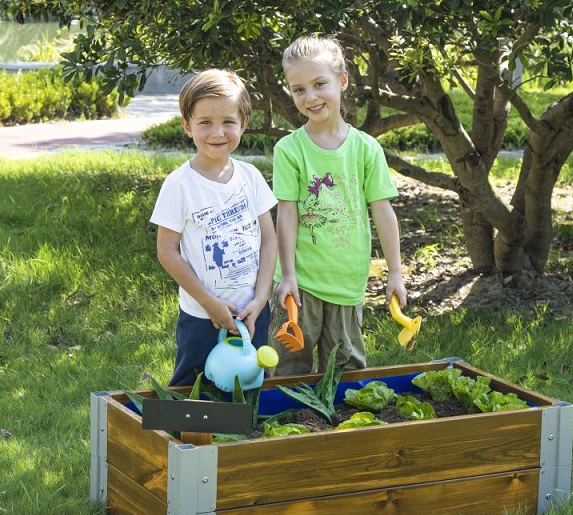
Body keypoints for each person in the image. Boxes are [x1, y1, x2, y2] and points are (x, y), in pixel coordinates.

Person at [270, 33, 407, 375]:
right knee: (288, 370)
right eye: (299, 89)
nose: (310, 97)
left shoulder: (366, 149)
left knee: (346, 371)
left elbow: (383, 211)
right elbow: (286, 213)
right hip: (299, 285)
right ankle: (289, 428)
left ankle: (344, 430)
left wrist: (395, 273)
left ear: (342, 80)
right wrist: (286, 275)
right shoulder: (289, 150)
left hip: (347, 282)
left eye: (319, 84)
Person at [150, 69, 277, 386]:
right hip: (201, 316)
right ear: (187, 126)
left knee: (249, 385)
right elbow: (167, 251)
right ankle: (186, 438)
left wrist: (260, 301)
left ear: (243, 124)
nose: (217, 132)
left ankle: (242, 438)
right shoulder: (179, 184)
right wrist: (209, 304)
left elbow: (269, 242)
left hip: (252, 313)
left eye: (228, 122)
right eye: (205, 122)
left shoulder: (250, 177)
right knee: (193, 390)